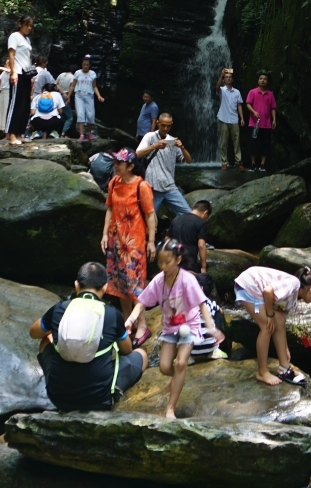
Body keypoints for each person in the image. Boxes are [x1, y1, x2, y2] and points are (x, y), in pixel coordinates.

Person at [29, 261, 148, 411]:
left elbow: (34, 333)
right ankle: (115, 393)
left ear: (76, 285)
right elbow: (126, 350)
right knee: (142, 355)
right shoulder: (112, 314)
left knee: (46, 340)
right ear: (105, 287)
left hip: (58, 397)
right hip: (99, 399)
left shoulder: (60, 308)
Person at [124, 240, 221, 418]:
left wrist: (211, 327)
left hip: (189, 326)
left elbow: (202, 304)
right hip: (170, 329)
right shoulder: (158, 281)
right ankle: (178, 378)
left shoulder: (188, 279)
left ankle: (170, 408)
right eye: (160, 262)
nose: (163, 266)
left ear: (177, 260)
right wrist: (131, 319)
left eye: (167, 262)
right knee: (164, 367)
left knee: (181, 363)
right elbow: (142, 302)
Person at [233, 265, 311, 386]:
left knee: (279, 320)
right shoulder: (293, 284)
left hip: (256, 290)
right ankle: (262, 372)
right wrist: (270, 315)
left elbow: (280, 321)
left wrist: (285, 348)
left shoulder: (294, 299)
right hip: (250, 287)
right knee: (266, 327)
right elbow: (268, 291)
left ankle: (284, 368)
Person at [102, 153, 158, 345]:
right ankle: (128, 323)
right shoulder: (114, 183)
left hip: (134, 243)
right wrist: (104, 236)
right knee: (118, 283)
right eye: (115, 162)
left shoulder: (141, 186)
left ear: (131, 166)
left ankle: (142, 325)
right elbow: (109, 209)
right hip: (115, 240)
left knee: (135, 284)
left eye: (120, 163)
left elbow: (150, 215)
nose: (116, 166)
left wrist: (151, 242)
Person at [135, 111, 193, 217]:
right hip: (153, 186)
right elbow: (137, 155)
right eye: (163, 125)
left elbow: (188, 161)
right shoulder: (150, 137)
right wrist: (154, 146)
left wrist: (182, 147)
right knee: (148, 220)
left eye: (168, 126)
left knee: (188, 215)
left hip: (170, 187)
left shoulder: (172, 141)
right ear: (157, 123)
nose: (165, 128)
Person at [6, 14, 35, 146]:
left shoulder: (27, 40)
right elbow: (11, 55)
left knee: (24, 106)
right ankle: (11, 134)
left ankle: (19, 134)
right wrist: (12, 72)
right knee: (16, 104)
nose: (29, 28)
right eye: (26, 25)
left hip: (26, 75)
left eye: (30, 26)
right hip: (17, 73)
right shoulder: (14, 36)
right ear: (20, 24)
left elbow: (27, 59)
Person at [169, 200, 211, 275]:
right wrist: (203, 267)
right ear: (205, 213)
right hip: (189, 262)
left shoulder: (176, 219)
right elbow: (201, 245)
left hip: (174, 260)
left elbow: (167, 240)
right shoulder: (201, 223)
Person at [245, 72, 277, 170]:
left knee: (265, 145)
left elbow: (273, 108)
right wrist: (253, 112)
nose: (262, 80)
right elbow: (248, 104)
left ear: (267, 82)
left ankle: (263, 164)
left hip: (266, 125)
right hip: (254, 125)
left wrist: (274, 120)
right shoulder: (252, 92)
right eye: (261, 78)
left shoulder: (270, 94)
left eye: (265, 79)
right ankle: (253, 164)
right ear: (258, 80)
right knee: (252, 143)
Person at [215, 67, 244, 171]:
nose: (228, 79)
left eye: (230, 77)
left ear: (232, 79)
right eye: (226, 77)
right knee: (223, 142)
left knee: (236, 142)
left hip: (234, 119)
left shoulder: (237, 92)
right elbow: (217, 87)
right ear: (224, 79)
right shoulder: (222, 90)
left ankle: (238, 162)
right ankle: (224, 163)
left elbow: (239, 105)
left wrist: (242, 118)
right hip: (223, 118)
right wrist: (221, 75)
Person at [73, 55, 104, 142]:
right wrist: (68, 96)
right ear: (81, 64)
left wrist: (99, 96)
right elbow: (73, 85)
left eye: (87, 65)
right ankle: (81, 134)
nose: (85, 66)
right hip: (79, 95)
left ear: (89, 65)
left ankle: (89, 133)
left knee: (90, 115)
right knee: (80, 114)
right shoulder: (77, 73)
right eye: (83, 64)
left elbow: (94, 86)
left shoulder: (93, 74)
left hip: (89, 95)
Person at [57, 64, 76, 135]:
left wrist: (61, 92)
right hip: (65, 97)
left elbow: (56, 84)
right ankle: (63, 132)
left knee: (59, 114)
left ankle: (55, 131)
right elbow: (72, 88)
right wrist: (67, 96)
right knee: (69, 118)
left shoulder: (61, 74)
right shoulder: (72, 77)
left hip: (57, 96)